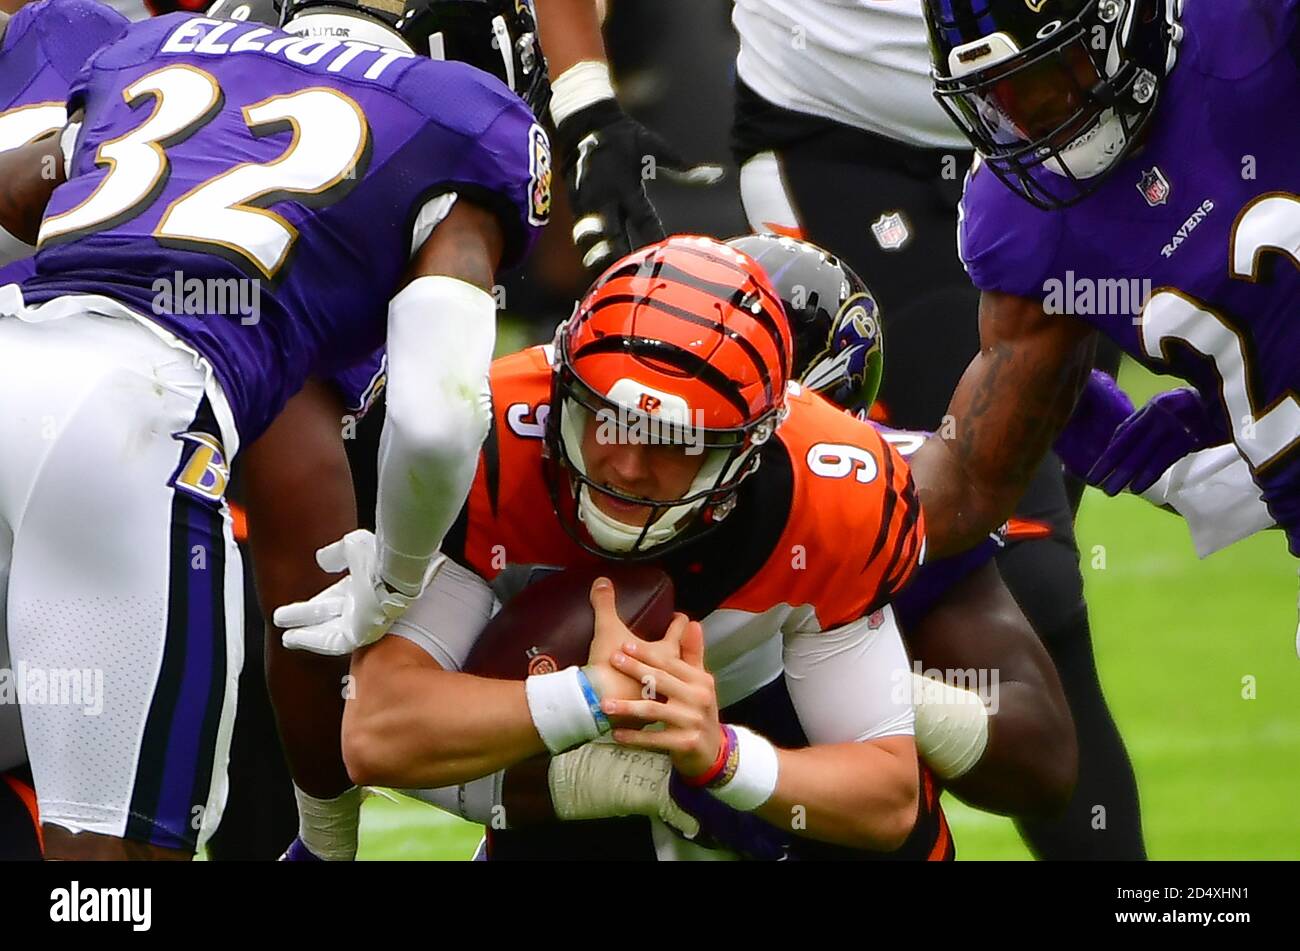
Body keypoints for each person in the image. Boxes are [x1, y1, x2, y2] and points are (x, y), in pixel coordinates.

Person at [0, 0, 549, 858]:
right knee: (120, 854)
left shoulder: (148, 44)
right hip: (132, 424)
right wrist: (396, 579)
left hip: (19, 350)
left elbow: (20, 189)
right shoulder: (453, 122)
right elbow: (439, 419)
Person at [280, 235, 930, 858]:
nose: (626, 463)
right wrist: (591, 697)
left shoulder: (832, 488)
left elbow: (888, 799)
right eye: (607, 416)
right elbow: (379, 732)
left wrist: (722, 753)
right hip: (557, 747)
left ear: (746, 452)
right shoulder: (494, 442)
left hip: (763, 706)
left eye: (674, 439)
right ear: (565, 386)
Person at [911, 0, 1300, 614]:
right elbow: (969, 483)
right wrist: (811, 494)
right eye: (1000, 99)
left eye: (1045, 79)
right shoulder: (1030, 225)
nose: (1030, 121)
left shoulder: (1257, 25)